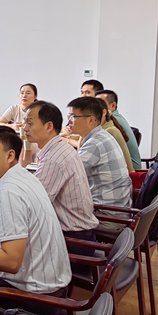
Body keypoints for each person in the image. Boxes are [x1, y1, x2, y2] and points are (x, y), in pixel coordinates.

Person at [0, 126, 71, 303]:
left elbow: (11, 262)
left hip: (33, 297)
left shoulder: (8, 193)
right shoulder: (23, 176)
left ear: (10, 156)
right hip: (52, 283)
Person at [23, 101, 98, 254]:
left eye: (29, 123)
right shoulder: (60, 148)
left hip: (73, 241)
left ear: (49, 127)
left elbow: (33, 206)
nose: (25, 128)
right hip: (79, 234)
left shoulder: (54, 158)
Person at [67, 97, 132, 235]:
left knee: (56, 215)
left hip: (108, 217)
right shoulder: (101, 135)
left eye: (73, 117)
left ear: (91, 120)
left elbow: (68, 175)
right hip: (116, 210)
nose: (69, 121)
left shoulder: (95, 143)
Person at [96, 89, 141, 170]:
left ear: (113, 105)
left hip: (131, 171)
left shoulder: (112, 121)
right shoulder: (113, 118)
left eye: (101, 103)